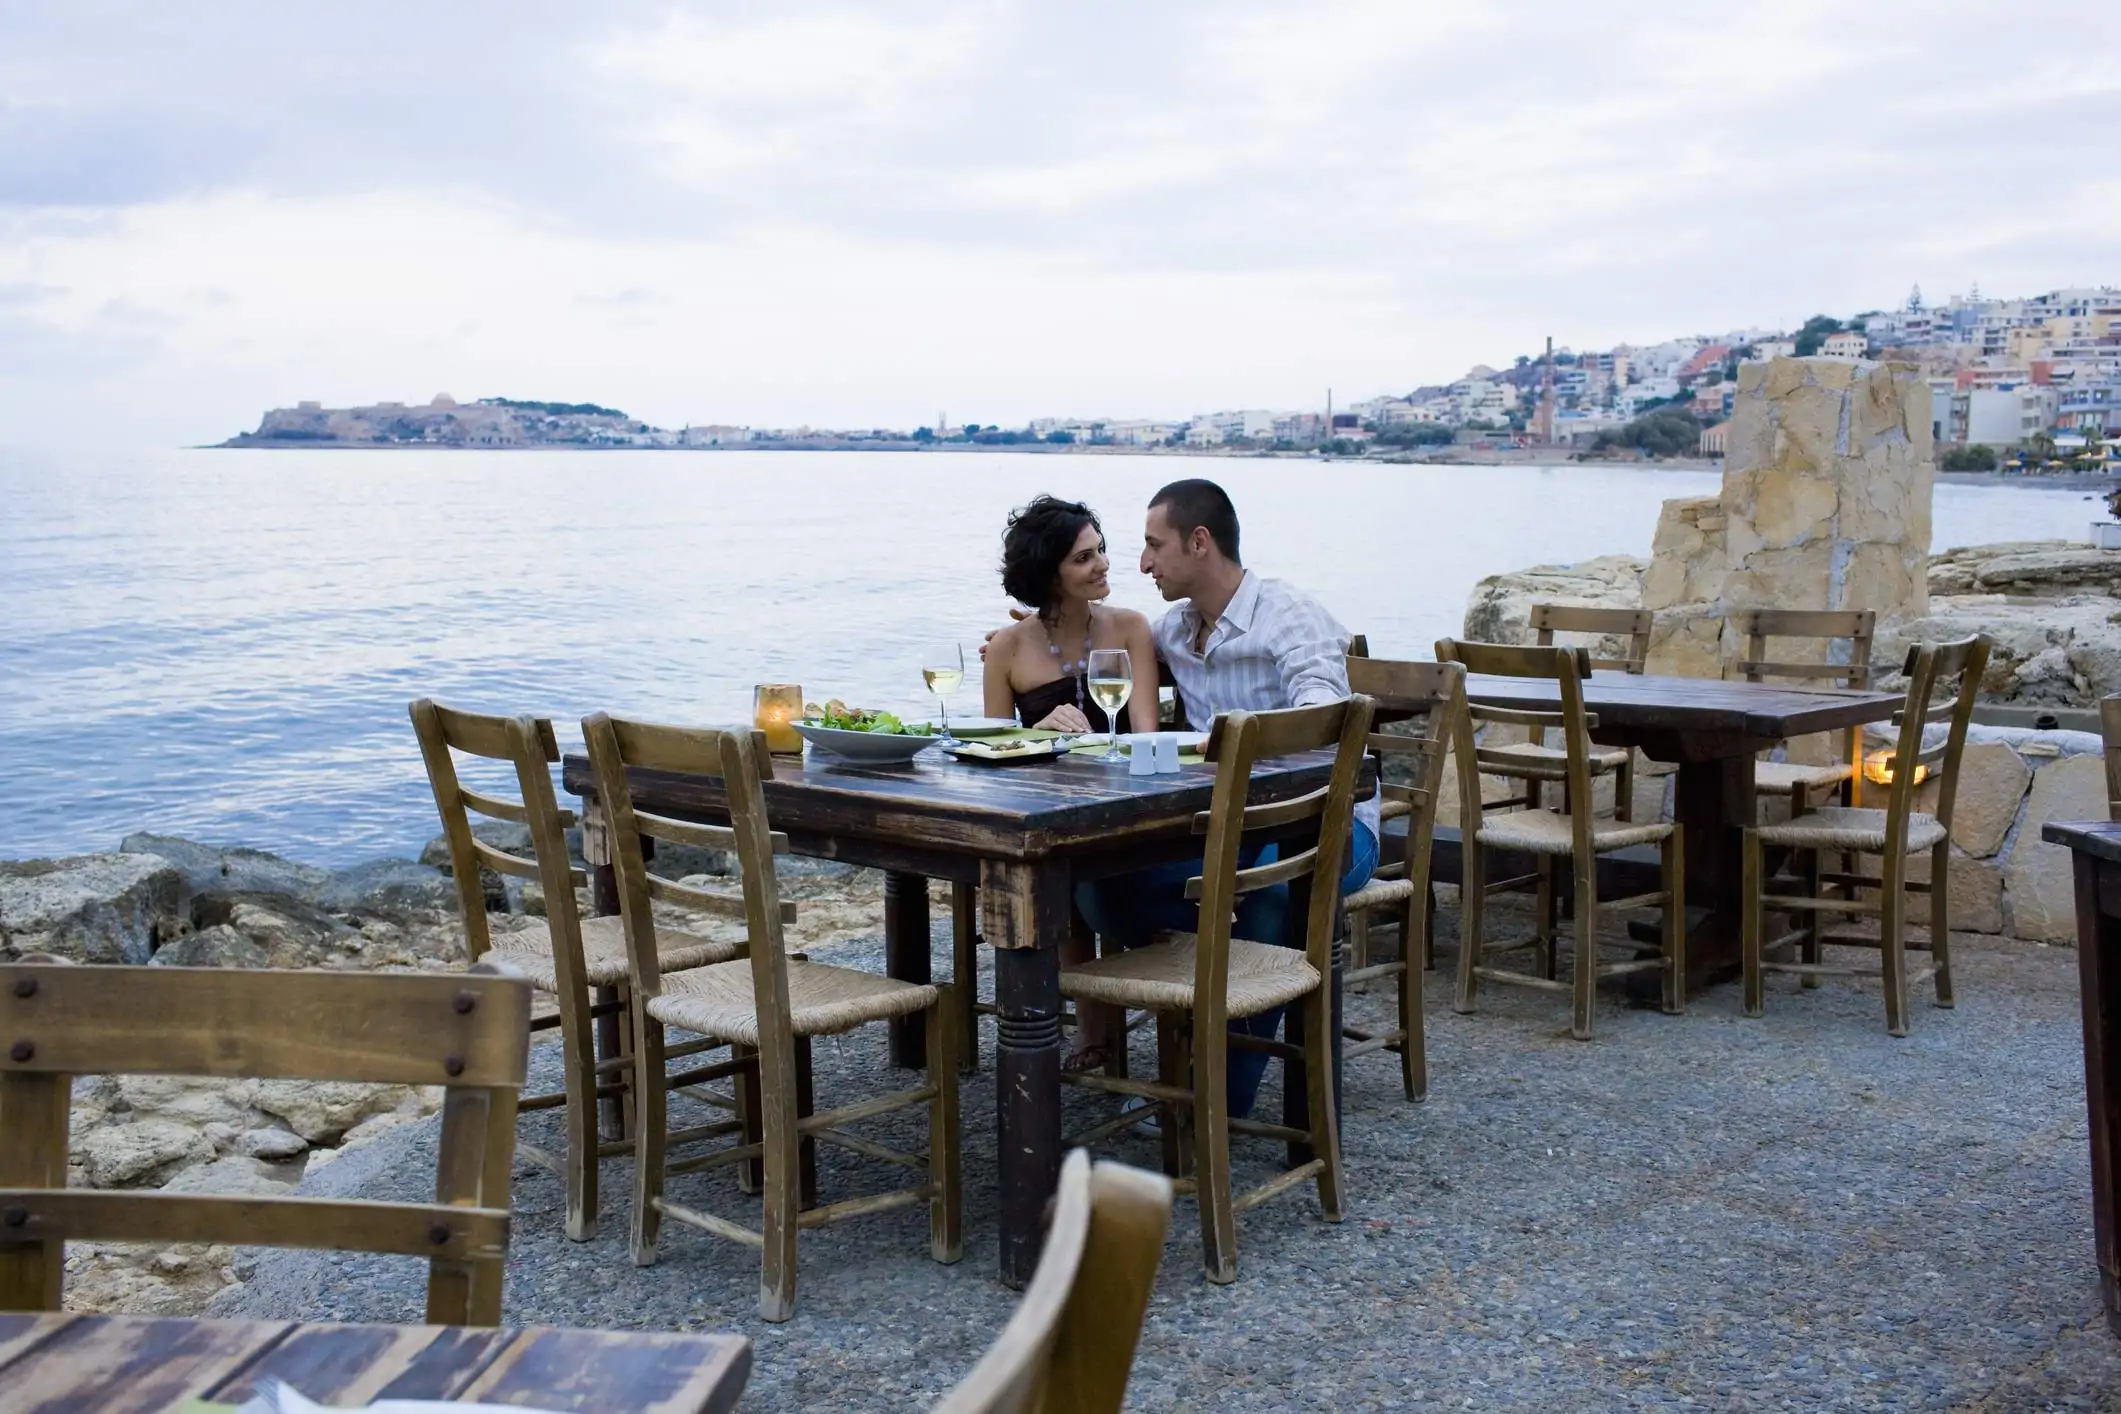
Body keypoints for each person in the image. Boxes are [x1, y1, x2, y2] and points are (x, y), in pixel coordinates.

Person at [1079, 477, 1379, 1119]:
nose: (1143, 563)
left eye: (1154, 546)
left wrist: (1238, 745)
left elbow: (1326, 721)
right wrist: (1024, 639)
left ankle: (1216, 1107)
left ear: (1199, 541)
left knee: (1268, 901)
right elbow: (1102, 658)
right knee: (1098, 885)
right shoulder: (1175, 629)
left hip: (1330, 828)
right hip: (1222, 834)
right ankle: (1204, 993)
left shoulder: (1288, 615)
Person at [982, 495, 1161, 737]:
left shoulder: (1131, 629)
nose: (1104, 564)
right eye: (1083, 558)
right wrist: (1038, 732)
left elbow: (1147, 739)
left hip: (1123, 772)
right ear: (1048, 575)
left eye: (1100, 550)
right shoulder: (1005, 648)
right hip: (1039, 774)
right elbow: (998, 749)